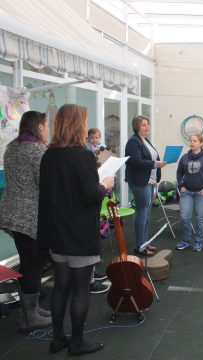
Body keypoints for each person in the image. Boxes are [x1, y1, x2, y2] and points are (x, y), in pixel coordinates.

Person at [37, 104, 115, 355]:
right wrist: (104, 184)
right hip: (79, 232)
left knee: (61, 286)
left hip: (57, 231)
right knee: (80, 289)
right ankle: (78, 343)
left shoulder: (49, 154)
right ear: (78, 124)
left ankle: (58, 338)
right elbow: (90, 195)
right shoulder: (81, 155)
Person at [0, 111, 51, 331]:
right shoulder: (36, 150)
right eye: (46, 124)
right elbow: (44, 184)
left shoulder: (12, 148)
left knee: (29, 260)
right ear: (39, 126)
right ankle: (29, 317)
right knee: (33, 264)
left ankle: (31, 310)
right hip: (29, 216)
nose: (48, 128)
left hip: (11, 213)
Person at [125, 115, 166, 256]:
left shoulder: (144, 140)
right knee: (142, 212)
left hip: (150, 180)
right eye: (143, 125)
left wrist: (158, 165)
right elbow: (136, 162)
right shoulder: (133, 142)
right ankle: (140, 246)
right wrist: (155, 164)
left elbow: (152, 157)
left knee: (147, 212)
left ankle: (145, 242)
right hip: (140, 181)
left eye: (147, 124)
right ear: (137, 126)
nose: (147, 127)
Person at [176, 134, 203, 252]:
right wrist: (181, 186)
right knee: (184, 217)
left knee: (200, 218)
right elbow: (179, 172)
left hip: (202, 193)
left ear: (201, 143)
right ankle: (186, 240)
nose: (192, 143)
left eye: (195, 141)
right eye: (191, 141)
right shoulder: (184, 158)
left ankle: (198, 241)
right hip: (187, 192)